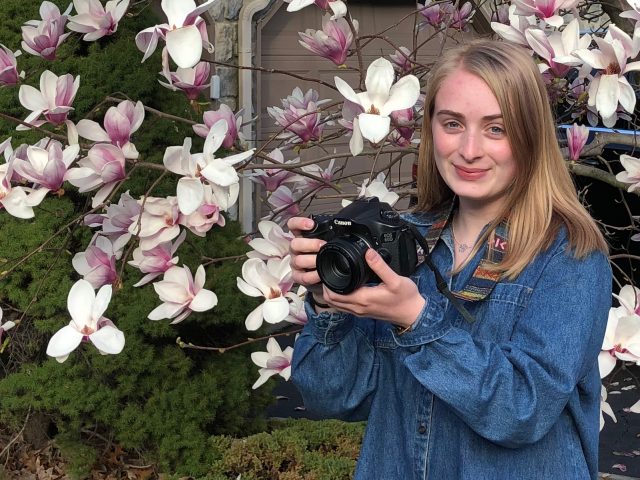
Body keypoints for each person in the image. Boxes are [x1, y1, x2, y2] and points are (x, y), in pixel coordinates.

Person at [287, 39, 611, 480]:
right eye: (453, 123)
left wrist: (417, 321)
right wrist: (329, 304)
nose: (469, 149)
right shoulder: (401, 243)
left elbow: (523, 409)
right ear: (431, 130)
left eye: (496, 128)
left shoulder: (570, 255)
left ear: (530, 136)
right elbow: (334, 398)